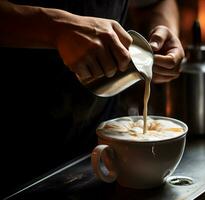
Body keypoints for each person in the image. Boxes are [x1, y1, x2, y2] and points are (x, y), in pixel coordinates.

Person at [0, 0, 184, 197]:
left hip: (103, 147)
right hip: (15, 153)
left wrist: (162, 32)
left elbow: (155, 4)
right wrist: (56, 27)